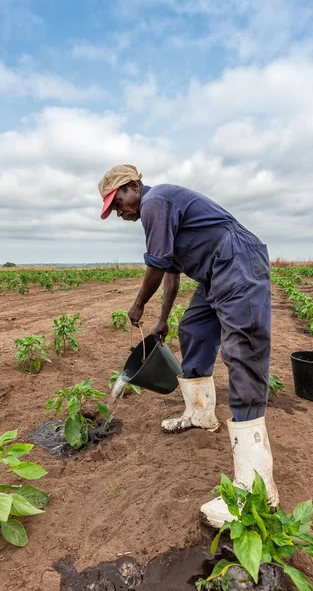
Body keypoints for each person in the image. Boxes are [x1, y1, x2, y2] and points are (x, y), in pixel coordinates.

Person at [97, 164, 279, 528]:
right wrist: (163, 318)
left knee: (242, 351)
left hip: (236, 260)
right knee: (194, 327)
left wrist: (138, 305)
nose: (120, 213)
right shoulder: (158, 212)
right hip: (215, 270)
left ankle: (257, 488)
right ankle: (199, 414)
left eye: (118, 203)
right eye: (114, 210)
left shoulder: (155, 202)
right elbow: (170, 273)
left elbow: (156, 264)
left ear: (133, 187)